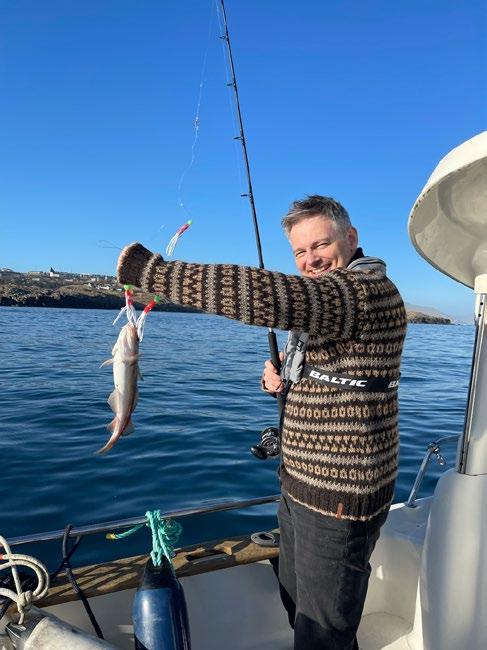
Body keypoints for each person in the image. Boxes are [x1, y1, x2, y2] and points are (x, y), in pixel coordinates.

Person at [117, 195, 407, 650]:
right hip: (299, 484)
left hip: (339, 498)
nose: (310, 260)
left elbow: (267, 295)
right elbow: (339, 374)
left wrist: (152, 273)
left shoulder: (365, 291)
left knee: (322, 633)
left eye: (320, 245)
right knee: (297, 606)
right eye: (299, 251)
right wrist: (283, 381)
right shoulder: (333, 303)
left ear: (351, 238)